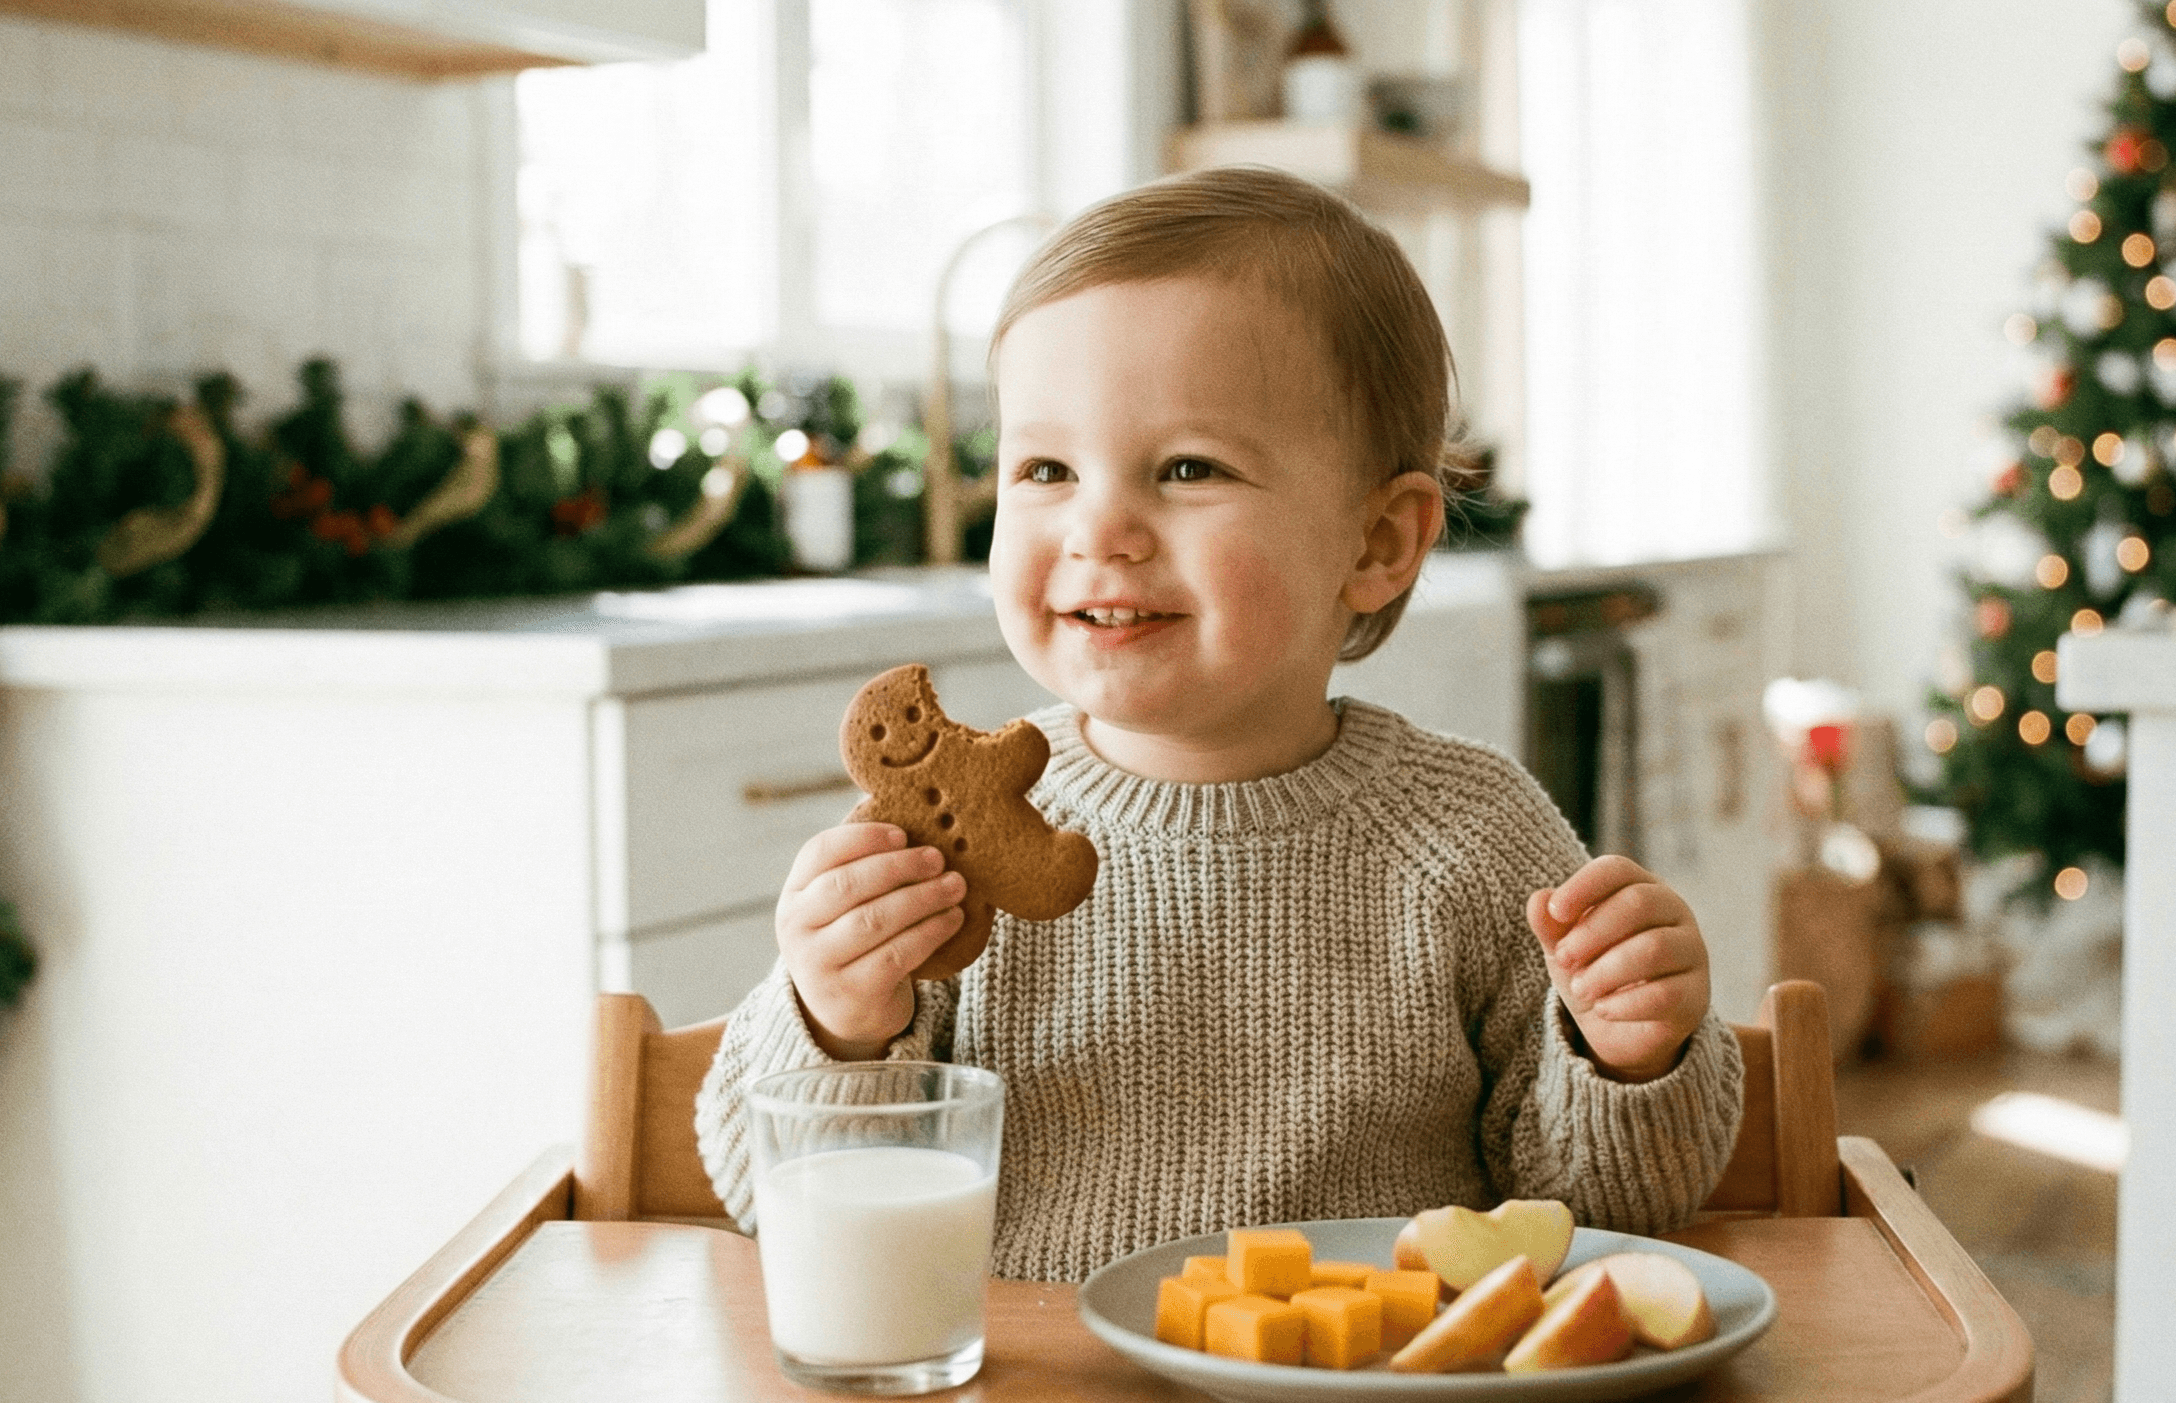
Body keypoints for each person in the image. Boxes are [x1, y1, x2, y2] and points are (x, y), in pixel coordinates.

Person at [698, 166, 1742, 1283]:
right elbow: (779, 1204)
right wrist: (838, 1021)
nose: (1098, 526)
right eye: (1044, 468)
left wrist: (1632, 1059)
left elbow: (1617, 1210)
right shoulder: (941, 854)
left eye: (1187, 468)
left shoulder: (1475, 838)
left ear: (1378, 544)